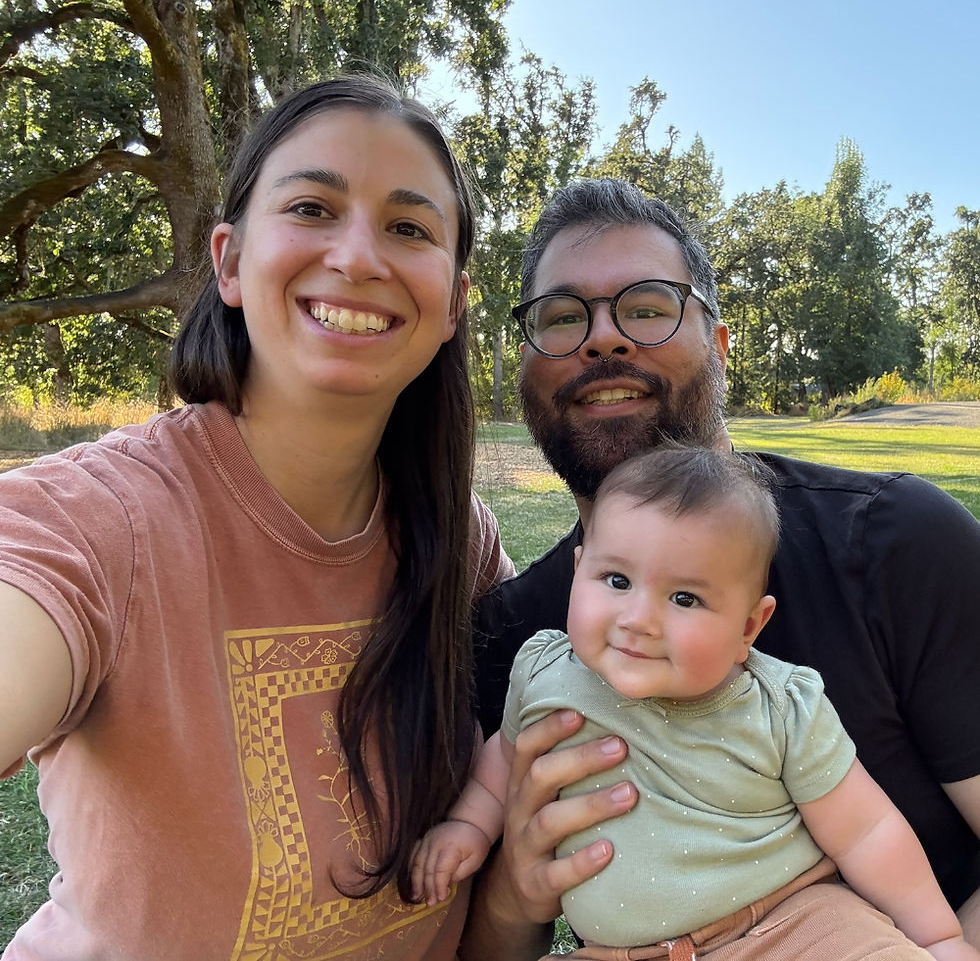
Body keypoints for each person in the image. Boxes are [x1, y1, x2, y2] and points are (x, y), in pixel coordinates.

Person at [0, 75, 513, 960]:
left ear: (453, 304)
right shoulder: (102, 521)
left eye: (408, 227)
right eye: (313, 207)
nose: (358, 257)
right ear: (230, 262)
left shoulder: (459, 540)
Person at [458, 179, 980, 960]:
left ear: (720, 342)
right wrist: (513, 892)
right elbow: (488, 946)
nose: (603, 339)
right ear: (529, 372)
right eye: (563, 319)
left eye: (647, 306)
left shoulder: (898, 541)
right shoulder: (513, 637)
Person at [423, 445, 977, 959]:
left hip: (793, 924)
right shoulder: (544, 671)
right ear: (577, 572)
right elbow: (504, 763)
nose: (638, 619)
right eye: (615, 579)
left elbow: (865, 830)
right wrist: (468, 827)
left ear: (749, 628)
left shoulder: (778, 706)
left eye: (684, 597)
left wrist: (938, 935)